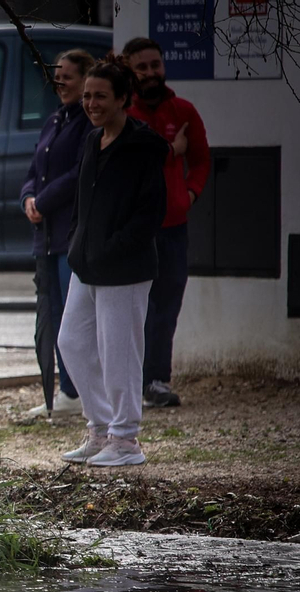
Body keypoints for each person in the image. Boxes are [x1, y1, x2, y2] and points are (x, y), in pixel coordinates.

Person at [57, 56, 168, 467]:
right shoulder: (92, 140)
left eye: (101, 96)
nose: (91, 103)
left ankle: (125, 440)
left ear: (123, 98)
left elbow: (150, 214)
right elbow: (82, 204)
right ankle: (101, 428)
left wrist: (110, 249)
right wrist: (77, 244)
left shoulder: (142, 147)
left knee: (119, 352)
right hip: (87, 265)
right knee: (71, 342)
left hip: (125, 269)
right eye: (87, 96)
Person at [125, 36, 210, 408]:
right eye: (141, 67)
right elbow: (131, 162)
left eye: (154, 65)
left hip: (174, 225)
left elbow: (202, 160)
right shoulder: (123, 114)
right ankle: (134, 380)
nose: (149, 73)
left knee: (168, 302)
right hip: (137, 228)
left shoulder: (184, 111)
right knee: (138, 307)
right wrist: (170, 152)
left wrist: (190, 193)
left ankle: (157, 380)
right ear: (130, 72)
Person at [19, 48, 96, 419]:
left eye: (68, 76)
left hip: (70, 234)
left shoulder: (87, 123)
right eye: (57, 76)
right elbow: (34, 172)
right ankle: (65, 391)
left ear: (85, 79)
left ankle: (81, 389)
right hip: (46, 237)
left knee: (73, 317)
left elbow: (78, 173)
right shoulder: (54, 120)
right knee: (50, 316)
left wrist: (44, 200)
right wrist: (28, 198)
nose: (60, 82)